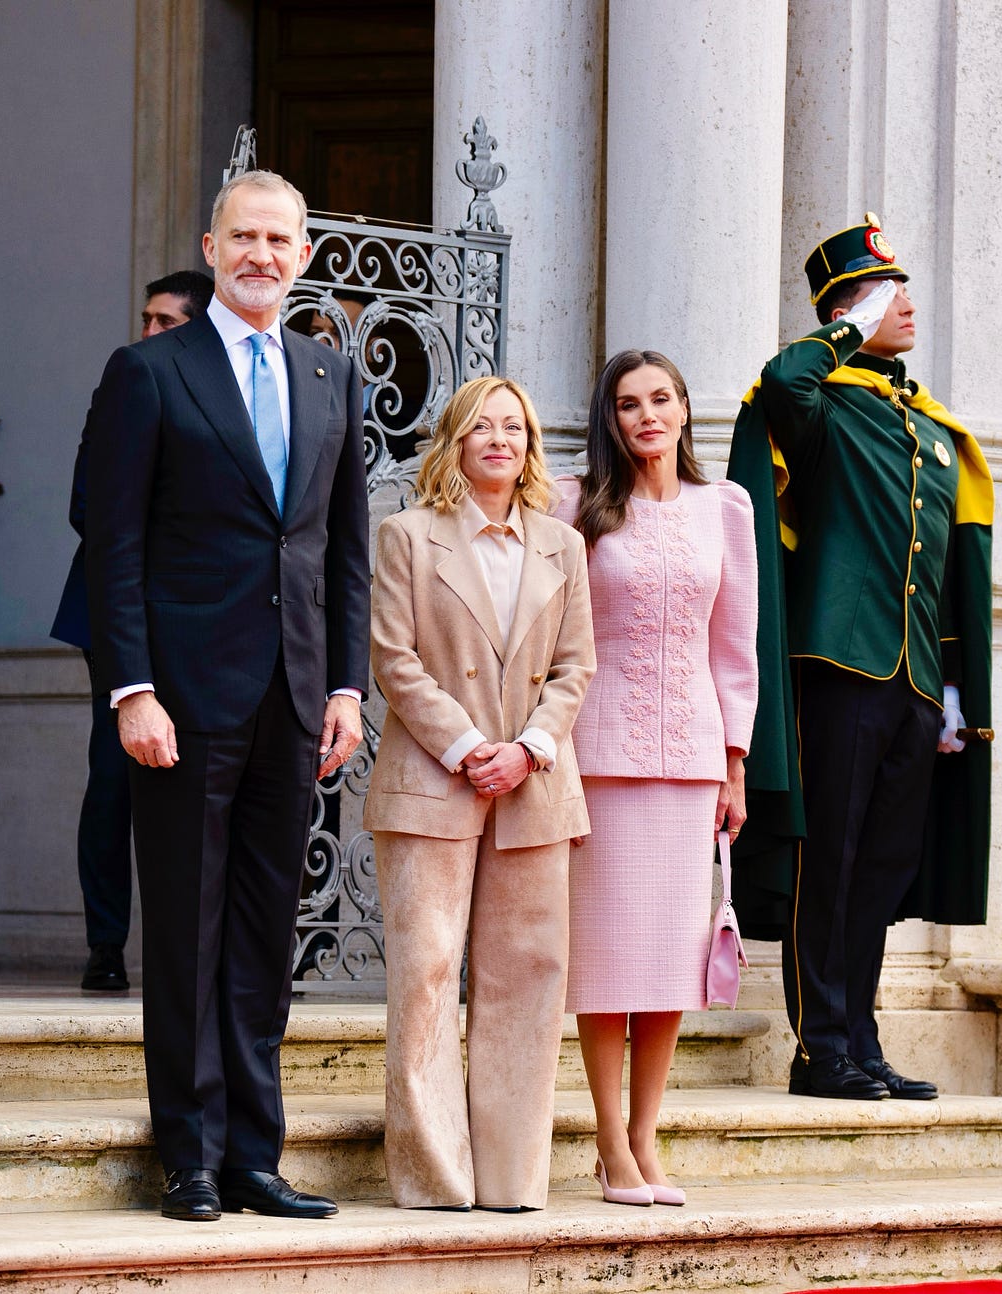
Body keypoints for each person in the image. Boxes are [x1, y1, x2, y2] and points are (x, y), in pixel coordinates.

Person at [84, 170, 372, 1221]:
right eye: (243, 236)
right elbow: (113, 541)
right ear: (210, 247)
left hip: (297, 698)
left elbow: (344, 546)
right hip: (183, 700)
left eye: (280, 238)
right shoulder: (149, 371)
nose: (261, 254)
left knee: (262, 936)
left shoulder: (329, 374)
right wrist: (131, 688)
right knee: (189, 934)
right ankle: (192, 1157)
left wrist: (347, 683)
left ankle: (257, 1155)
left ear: (303, 254)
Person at [726, 214, 993, 1102]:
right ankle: (821, 1048)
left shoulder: (919, 421)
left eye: (905, 289)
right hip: (839, 663)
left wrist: (953, 683)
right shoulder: (823, 400)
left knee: (880, 870)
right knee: (829, 862)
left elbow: (946, 561)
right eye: (889, 292)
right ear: (849, 305)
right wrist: (839, 328)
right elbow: (777, 384)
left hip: (913, 677)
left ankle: (863, 1040)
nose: (908, 305)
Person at [365, 375, 594, 1212]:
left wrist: (528, 749)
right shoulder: (408, 536)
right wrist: (468, 749)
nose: (501, 439)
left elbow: (576, 665)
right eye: (483, 426)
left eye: (516, 427)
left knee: (527, 978)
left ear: (531, 445)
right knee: (425, 974)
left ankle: (510, 1179)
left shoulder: (561, 546)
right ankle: (433, 1176)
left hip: (533, 784)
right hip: (433, 780)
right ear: (455, 441)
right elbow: (394, 659)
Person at [554, 350, 757, 1206]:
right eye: (629, 403)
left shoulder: (727, 507)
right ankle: (608, 1143)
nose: (647, 416)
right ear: (611, 417)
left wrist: (735, 766)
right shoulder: (576, 503)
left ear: (682, 409)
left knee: (670, 963)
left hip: (694, 763)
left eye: (662, 399)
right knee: (607, 961)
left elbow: (735, 646)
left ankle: (645, 1137)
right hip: (600, 756)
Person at [51, 270, 213, 992]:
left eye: (165, 321)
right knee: (112, 779)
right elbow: (89, 504)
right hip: (116, 613)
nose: (148, 332)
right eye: (146, 319)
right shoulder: (121, 385)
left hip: (210, 620)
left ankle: (206, 951)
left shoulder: (229, 396)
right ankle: (106, 947)